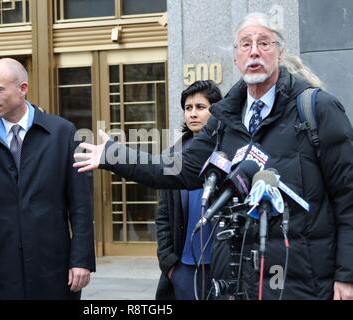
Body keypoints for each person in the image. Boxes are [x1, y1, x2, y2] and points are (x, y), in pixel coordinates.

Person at [74, 12, 353, 300]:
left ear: (280, 53)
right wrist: (114, 155)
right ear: (235, 57)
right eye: (245, 44)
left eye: (264, 43)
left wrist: (347, 275)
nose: (254, 51)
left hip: (302, 282)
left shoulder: (316, 109)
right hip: (238, 282)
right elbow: (175, 168)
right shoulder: (223, 120)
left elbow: (348, 196)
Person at [0, 58, 95, 300]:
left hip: (54, 267)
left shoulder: (63, 133)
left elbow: (80, 204)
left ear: (23, 89)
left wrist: (82, 260)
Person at [156, 80, 222, 300]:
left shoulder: (229, 149)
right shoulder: (173, 156)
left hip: (220, 264)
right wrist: (169, 265)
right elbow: (163, 216)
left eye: (200, 107)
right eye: (188, 108)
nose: (193, 113)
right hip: (183, 266)